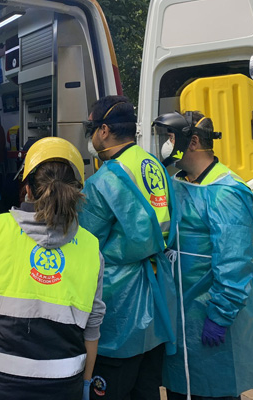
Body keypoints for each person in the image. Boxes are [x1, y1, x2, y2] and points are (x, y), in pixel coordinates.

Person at [0, 137, 106, 400]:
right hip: (61, 385)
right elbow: (93, 328)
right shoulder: (91, 249)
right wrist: (85, 382)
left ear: (28, 190)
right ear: (77, 190)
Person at [153, 110, 253, 399]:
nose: (164, 144)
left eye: (169, 138)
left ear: (191, 142)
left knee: (213, 391)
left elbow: (235, 265)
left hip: (210, 319)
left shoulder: (226, 193)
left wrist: (219, 316)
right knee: (181, 389)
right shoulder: (178, 183)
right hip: (180, 320)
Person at [79, 95, 178, 400]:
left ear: (104, 130)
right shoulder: (152, 163)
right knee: (146, 388)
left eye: (91, 130)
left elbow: (86, 244)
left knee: (112, 386)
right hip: (157, 295)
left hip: (118, 305)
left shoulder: (104, 181)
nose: (92, 138)